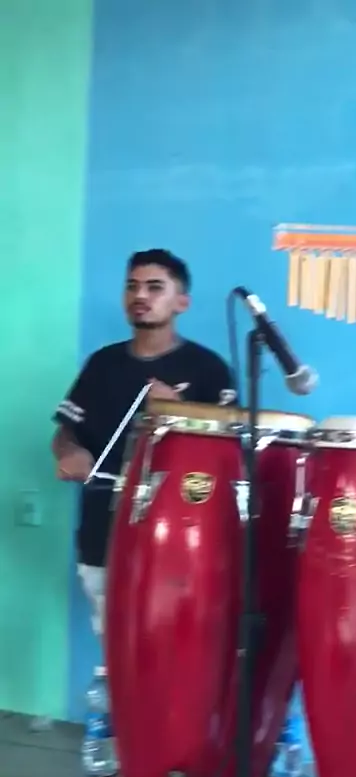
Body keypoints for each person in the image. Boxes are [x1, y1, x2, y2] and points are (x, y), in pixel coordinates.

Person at [52, 248, 235, 636]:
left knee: (171, 645)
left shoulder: (209, 369)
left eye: (155, 287)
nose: (140, 295)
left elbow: (232, 453)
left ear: (181, 302)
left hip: (180, 535)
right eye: (132, 286)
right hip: (103, 532)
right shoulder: (102, 364)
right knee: (115, 646)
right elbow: (66, 431)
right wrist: (70, 451)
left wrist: (178, 411)